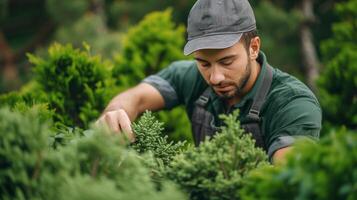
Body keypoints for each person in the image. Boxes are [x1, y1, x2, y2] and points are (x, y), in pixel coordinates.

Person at [96, 0, 321, 163]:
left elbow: (284, 184)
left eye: (227, 61)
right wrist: (115, 113)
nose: (215, 77)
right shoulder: (189, 77)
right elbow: (136, 97)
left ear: (253, 47)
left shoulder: (293, 103)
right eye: (204, 63)